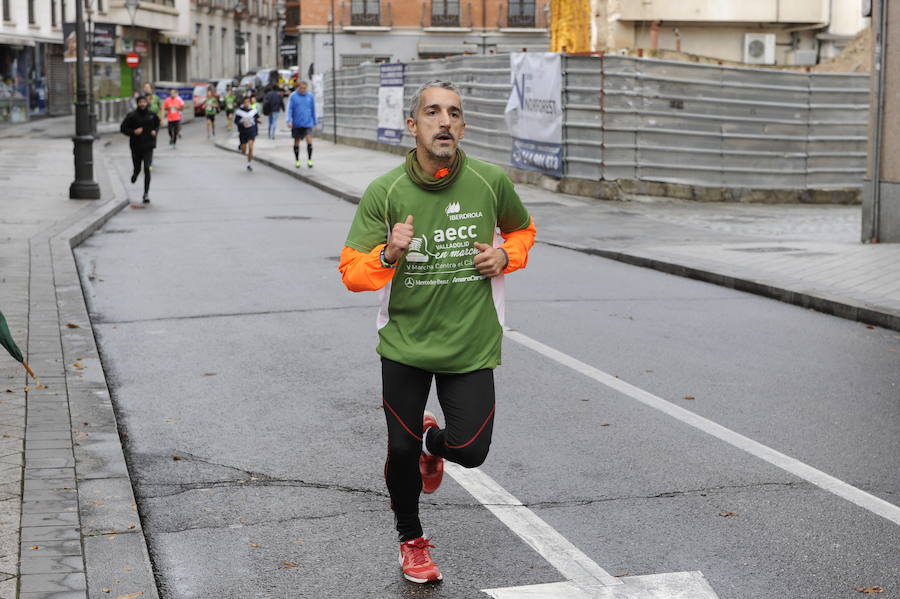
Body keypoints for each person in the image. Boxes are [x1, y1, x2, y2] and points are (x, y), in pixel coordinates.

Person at [337, 80, 536, 584]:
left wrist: (506, 256)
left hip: (469, 342)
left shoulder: (490, 181)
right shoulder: (385, 191)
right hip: (405, 343)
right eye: (432, 112)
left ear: (463, 126)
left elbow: (523, 229)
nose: (444, 121)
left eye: (453, 113)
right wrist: (387, 253)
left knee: (470, 450)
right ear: (414, 125)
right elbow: (351, 272)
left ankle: (435, 445)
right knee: (398, 451)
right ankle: (412, 539)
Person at [120, 94, 160, 204]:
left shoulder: (152, 115)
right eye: (140, 102)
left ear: (147, 103)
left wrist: (155, 131)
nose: (142, 104)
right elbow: (123, 128)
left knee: (147, 168)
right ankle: (135, 173)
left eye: (144, 102)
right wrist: (133, 132)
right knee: (137, 168)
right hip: (136, 146)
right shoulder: (132, 115)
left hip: (148, 146)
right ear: (137, 103)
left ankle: (146, 194)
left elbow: (157, 124)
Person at [286, 80, 316, 168]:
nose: (303, 90)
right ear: (298, 88)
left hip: (307, 122)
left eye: (305, 88)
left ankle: (309, 160)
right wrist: (289, 120)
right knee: (297, 141)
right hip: (297, 123)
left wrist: (314, 122)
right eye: (301, 88)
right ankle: (297, 160)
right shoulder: (293, 96)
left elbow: (313, 109)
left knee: (309, 140)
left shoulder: (310, 96)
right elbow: (289, 109)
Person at [234, 95, 260, 172]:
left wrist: (259, 120)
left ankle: (249, 164)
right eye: (245, 102)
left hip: (251, 130)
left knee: (251, 147)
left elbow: (257, 118)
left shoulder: (253, 110)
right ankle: (241, 146)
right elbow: (236, 121)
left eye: (248, 102)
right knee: (244, 150)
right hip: (243, 132)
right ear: (243, 103)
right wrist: (242, 124)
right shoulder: (239, 112)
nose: (247, 104)